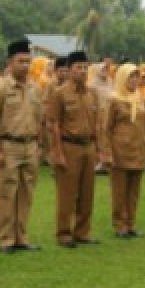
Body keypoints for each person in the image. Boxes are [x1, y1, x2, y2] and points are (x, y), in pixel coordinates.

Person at [0, 39, 45, 254]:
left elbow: (39, 119)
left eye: (28, 62)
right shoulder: (0, 87)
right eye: (20, 61)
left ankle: (22, 237)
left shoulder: (35, 88)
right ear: (10, 62)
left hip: (29, 146)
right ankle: (6, 239)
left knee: (26, 193)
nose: (25, 66)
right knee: (6, 193)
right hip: (8, 145)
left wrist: (38, 145)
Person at [48, 51, 102, 248]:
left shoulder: (92, 94)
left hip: (88, 146)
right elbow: (53, 125)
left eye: (85, 67)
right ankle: (64, 232)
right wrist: (58, 153)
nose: (82, 71)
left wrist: (98, 150)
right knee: (67, 193)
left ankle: (83, 231)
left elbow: (96, 124)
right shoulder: (59, 94)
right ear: (70, 70)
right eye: (78, 67)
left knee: (87, 192)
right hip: (69, 145)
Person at [102, 62, 145, 238]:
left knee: (134, 192)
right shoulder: (114, 99)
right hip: (119, 151)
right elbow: (106, 128)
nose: (135, 80)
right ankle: (119, 225)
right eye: (131, 76)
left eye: (137, 77)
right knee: (119, 191)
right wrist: (107, 153)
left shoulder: (141, 98)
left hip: (137, 151)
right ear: (122, 78)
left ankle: (131, 223)